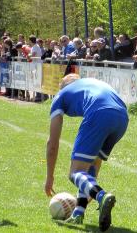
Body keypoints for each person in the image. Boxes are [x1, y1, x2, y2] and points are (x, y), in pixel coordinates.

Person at [45, 74, 128, 231]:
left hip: (98, 112)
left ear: (63, 86)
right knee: (90, 169)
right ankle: (78, 212)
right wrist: (79, 207)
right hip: (122, 116)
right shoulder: (90, 84)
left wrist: (49, 177)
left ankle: (102, 196)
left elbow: (53, 144)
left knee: (75, 172)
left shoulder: (61, 94)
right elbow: (94, 168)